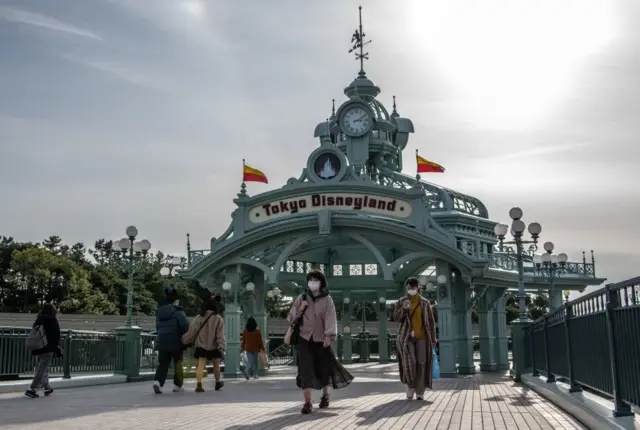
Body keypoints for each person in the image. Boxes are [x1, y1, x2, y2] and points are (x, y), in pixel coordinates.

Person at [287, 269, 354, 414]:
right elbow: (291, 318)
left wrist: (328, 336)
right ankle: (307, 402)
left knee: (323, 369)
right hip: (304, 339)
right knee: (305, 369)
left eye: (316, 280)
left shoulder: (327, 299)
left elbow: (331, 318)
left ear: (321, 282)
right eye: (310, 280)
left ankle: (325, 395)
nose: (313, 283)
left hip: (321, 340)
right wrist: (301, 308)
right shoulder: (302, 297)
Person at [394, 277, 437, 400]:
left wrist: (433, 340)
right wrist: (403, 309)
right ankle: (410, 386)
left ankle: (420, 391)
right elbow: (396, 318)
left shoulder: (424, 303)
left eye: (412, 288)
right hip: (406, 337)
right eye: (408, 288)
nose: (410, 290)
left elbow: (430, 321)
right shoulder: (402, 301)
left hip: (422, 337)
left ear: (418, 288)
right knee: (410, 361)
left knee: (422, 362)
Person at [182, 296, 226, 392]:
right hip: (214, 345)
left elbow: (192, 331)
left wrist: (185, 339)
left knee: (200, 365)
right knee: (216, 365)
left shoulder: (199, 317)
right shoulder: (219, 319)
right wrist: (221, 346)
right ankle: (217, 382)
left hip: (201, 345)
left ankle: (199, 384)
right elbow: (220, 335)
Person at [153, 286, 189, 394]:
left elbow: (157, 327)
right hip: (176, 342)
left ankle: (158, 382)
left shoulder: (159, 313)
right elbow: (185, 326)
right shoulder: (179, 312)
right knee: (178, 363)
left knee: (163, 363)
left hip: (162, 341)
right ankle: (177, 385)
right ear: (176, 300)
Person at [25, 303, 62, 399]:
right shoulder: (52, 320)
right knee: (41, 369)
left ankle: (47, 387)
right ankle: (32, 389)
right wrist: (56, 347)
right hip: (48, 348)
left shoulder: (39, 319)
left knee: (42, 368)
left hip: (38, 347)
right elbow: (56, 335)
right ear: (52, 311)